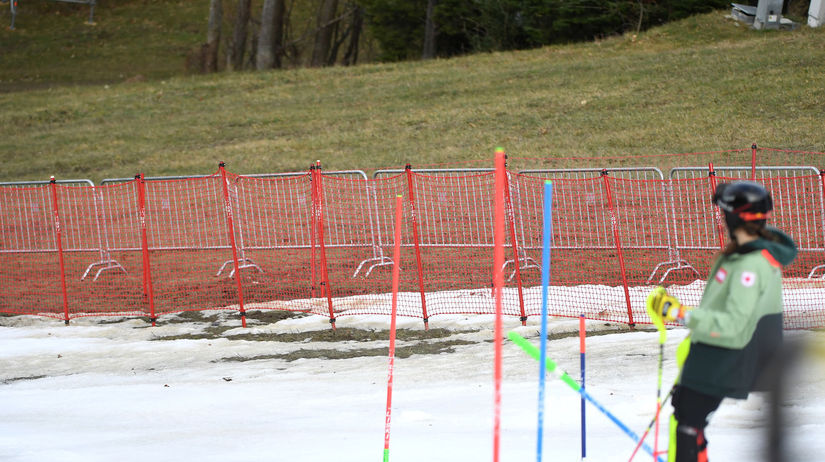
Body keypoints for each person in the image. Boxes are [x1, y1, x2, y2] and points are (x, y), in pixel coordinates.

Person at [646, 180, 798, 462]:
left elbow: (733, 324)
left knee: (689, 422)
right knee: (687, 415)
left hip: (730, 356)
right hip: (712, 352)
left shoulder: (751, 265)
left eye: (723, 212)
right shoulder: (738, 253)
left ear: (734, 215)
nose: (721, 218)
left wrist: (680, 313)